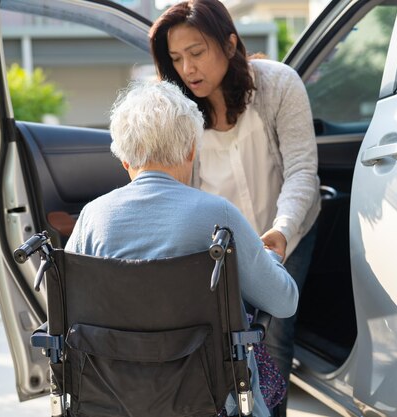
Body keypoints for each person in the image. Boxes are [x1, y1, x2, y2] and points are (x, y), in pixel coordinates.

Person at [64, 80, 298, 417]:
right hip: (208, 398)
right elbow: (284, 302)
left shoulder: (92, 218)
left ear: (125, 160)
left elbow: (67, 310)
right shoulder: (219, 216)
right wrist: (271, 260)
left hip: (112, 395)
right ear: (191, 150)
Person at [149, 1, 321, 414]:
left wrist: (282, 230)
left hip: (286, 233)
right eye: (176, 59)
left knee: (271, 339)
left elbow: (301, 170)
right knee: (217, 346)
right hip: (217, 249)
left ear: (229, 44)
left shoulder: (279, 84)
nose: (188, 69)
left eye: (196, 53)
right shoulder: (177, 108)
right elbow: (172, 186)